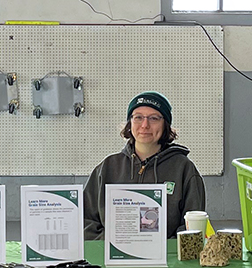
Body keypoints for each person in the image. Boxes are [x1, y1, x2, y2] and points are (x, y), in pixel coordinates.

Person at [83, 92, 205, 240]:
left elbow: (192, 226)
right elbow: (86, 220)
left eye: (154, 118)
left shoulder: (184, 169)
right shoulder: (107, 167)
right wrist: (111, 245)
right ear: (130, 123)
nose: (145, 125)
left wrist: (162, 249)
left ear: (165, 125)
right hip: (114, 260)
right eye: (138, 117)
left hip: (168, 261)